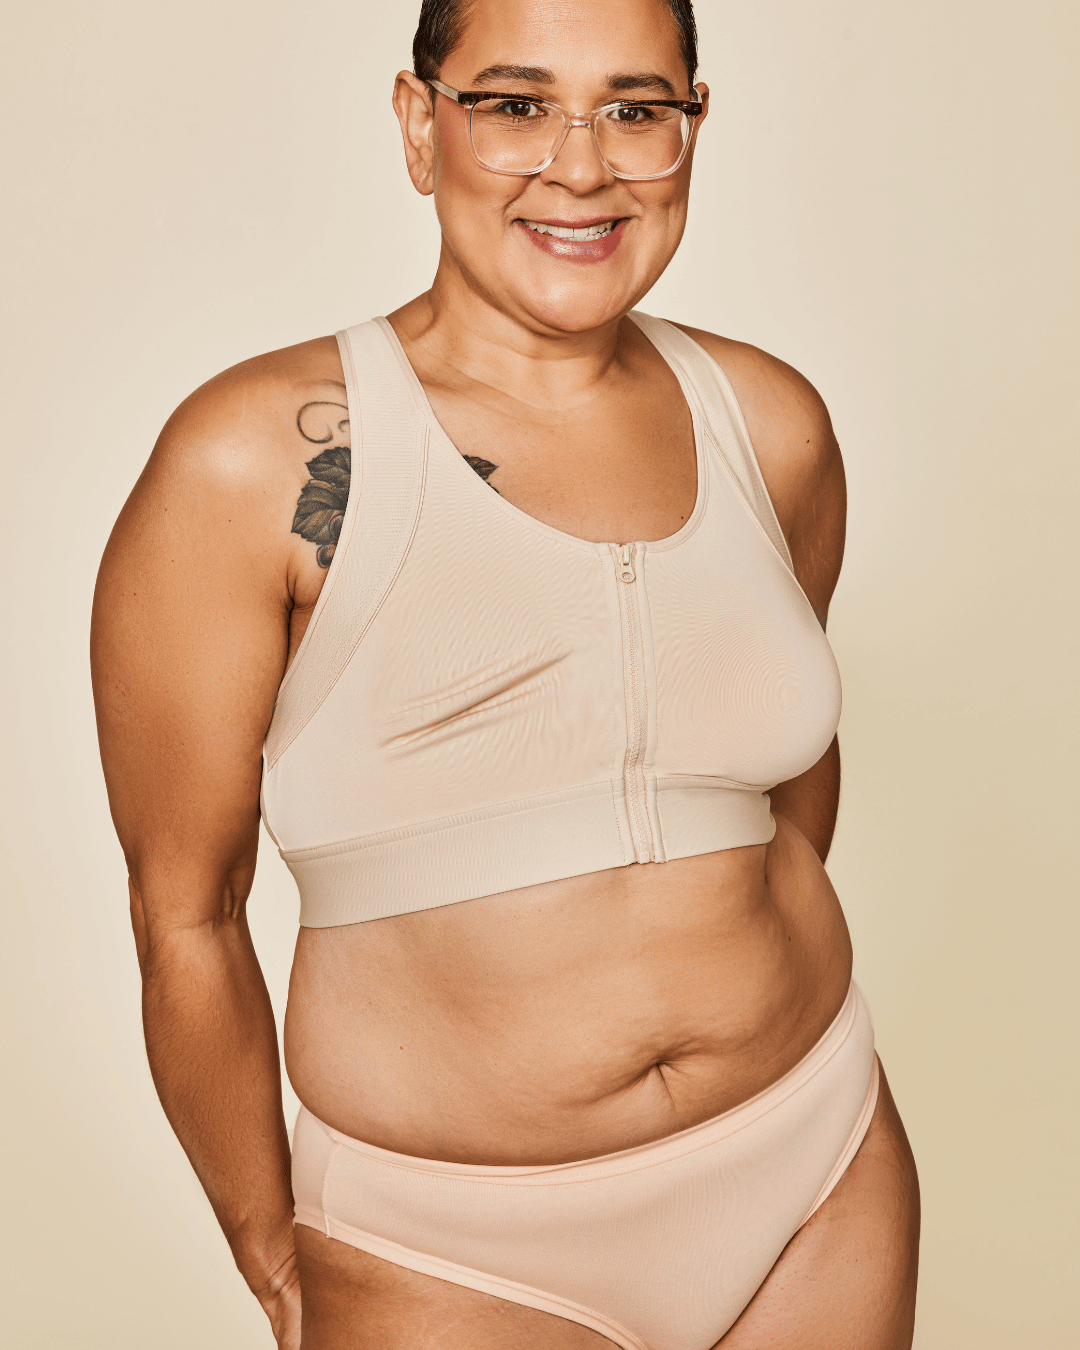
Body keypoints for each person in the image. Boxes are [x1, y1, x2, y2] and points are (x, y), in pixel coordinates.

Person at [91, 0, 920, 1346]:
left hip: (812, 1169)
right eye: (517, 106)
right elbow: (182, 912)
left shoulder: (771, 423)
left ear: (693, 129)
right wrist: (273, 1254)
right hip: (452, 1249)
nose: (580, 168)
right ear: (421, 126)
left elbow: (782, 787)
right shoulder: (252, 463)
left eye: (635, 110)